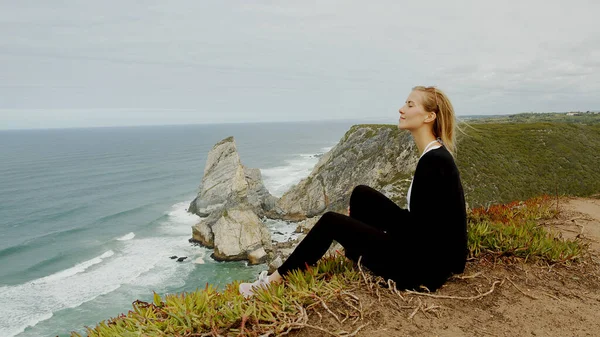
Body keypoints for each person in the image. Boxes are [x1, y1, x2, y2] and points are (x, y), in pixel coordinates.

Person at [239, 86, 467, 297]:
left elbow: (426, 233)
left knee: (331, 221)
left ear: (429, 116)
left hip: (420, 271)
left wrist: (367, 236)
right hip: (426, 257)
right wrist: (365, 232)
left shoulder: (434, 162)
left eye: (410, 104)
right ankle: (359, 258)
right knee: (361, 194)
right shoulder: (435, 155)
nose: (401, 109)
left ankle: (272, 282)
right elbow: (430, 224)